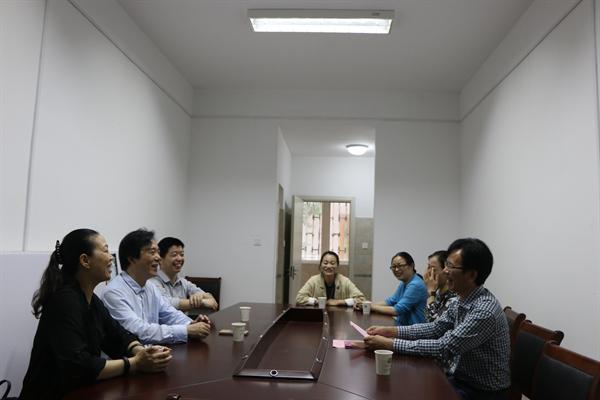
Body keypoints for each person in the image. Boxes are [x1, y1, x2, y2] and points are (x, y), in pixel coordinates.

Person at [20, 229, 171, 400]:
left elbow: (117, 335)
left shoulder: (91, 300)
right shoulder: (64, 301)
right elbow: (79, 366)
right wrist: (135, 363)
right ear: (85, 260)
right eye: (105, 250)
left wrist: (142, 352)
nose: (111, 258)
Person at [364, 238, 510, 400]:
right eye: (446, 264)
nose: (445, 271)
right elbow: (435, 328)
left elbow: (444, 347)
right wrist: (390, 331)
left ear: (471, 275)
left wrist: (389, 344)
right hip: (459, 378)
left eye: (451, 266)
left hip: (482, 392)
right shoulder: (462, 299)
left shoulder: (484, 311)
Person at [102, 229, 211, 344]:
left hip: (155, 351)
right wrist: (186, 330)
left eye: (158, 252)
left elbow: (169, 313)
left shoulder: (149, 286)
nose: (158, 257)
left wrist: (191, 324)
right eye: (152, 252)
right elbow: (138, 331)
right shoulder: (113, 293)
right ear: (132, 258)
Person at [355, 251, 428, 325]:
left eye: (400, 266)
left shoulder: (415, 285)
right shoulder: (405, 282)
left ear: (411, 266)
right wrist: (365, 304)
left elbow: (397, 310)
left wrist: (370, 307)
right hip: (402, 326)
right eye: (393, 267)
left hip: (413, 330)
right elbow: (390, 301)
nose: (396, 269)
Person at [150, 237, 218, 311]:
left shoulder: (183, 282)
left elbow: (211, 300)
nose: (179, 259)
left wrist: (200, 296)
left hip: (186, 319)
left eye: (182, 254)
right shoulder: (152, 282)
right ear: (160, 259)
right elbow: (166, 303)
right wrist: (200, 302)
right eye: (174, 255)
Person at [295, 251, 365, 307]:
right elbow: (299, 298)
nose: (328, 266)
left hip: (340, 316)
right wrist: (316, 301)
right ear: (320, 265)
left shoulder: (345, 281)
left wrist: (340, 302)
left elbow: (361, 299)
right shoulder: (313, 280)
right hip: (318, 316)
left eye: (332, 263)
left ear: (337, 266)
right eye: (325, 263)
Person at [423, 250, 456, 322]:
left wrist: (431, 294)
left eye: (433, 269)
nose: (428, 273)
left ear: (446, 270)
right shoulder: (438, 292)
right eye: (428, 268)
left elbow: (434, 323)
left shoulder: (453, 297)